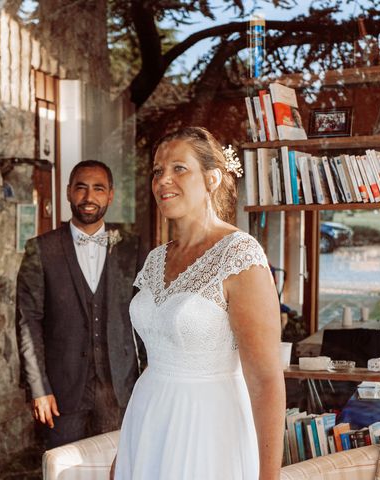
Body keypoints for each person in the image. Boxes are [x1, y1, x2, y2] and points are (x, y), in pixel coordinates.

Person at [112, 127, 285, 479]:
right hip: (147, 419)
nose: (163, 180)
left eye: (179, 168)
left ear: (211, 178)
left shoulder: (240, 255)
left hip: (207, 429)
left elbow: (266, 379)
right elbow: (157, 353)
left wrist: (268, 477)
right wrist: (125, 452)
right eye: (158, 171)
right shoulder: (155, 259)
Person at [15, 160, 146, 449]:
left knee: (117, 469)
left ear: (110, 195)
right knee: (64, 470)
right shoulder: (40, 250)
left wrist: (148, 381)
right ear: (68, 192)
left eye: (98, 189)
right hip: (62, 393)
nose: (89, 197)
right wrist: (39, 389)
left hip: (120, 391)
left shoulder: (132, 248)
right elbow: (28, 324)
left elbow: (145, 320)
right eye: (81, 188)